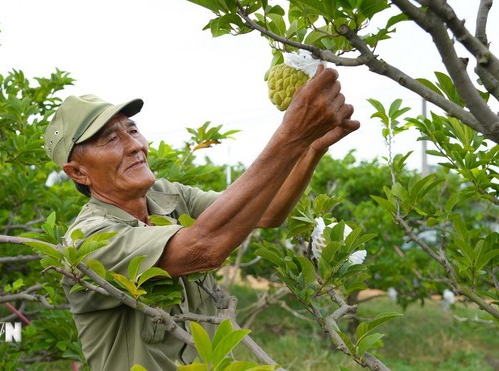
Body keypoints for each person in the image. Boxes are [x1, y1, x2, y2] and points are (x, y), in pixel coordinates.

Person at [43, 64, 360, 370]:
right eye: (112, 139)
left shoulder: (167, 195)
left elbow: (265, 211)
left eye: (132, 129)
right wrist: (290, 135)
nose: (135, 146)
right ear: (78, 172)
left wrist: (310, 147)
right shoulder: (87, 240)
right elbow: (203, 248)